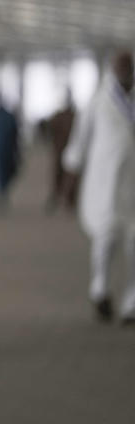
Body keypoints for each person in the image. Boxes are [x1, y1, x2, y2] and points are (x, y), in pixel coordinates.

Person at [63, 51, 135, 324]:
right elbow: (78, 143)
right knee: (105, 240)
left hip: (132, 185)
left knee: (134, 244)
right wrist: (69, 184)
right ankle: (100, 289)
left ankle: (131, 305)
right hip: (105, 184)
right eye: (120, 66)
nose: (124, 71)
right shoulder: (97, 101)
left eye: (128, 66)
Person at [45, 92, 76, 215]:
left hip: (71, 151)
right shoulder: (58, 117)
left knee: (71, 176)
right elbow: (51, 131)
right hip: (60, 150)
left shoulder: (75, 116)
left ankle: (70, 200)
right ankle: (56, 197)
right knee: (58, 175)